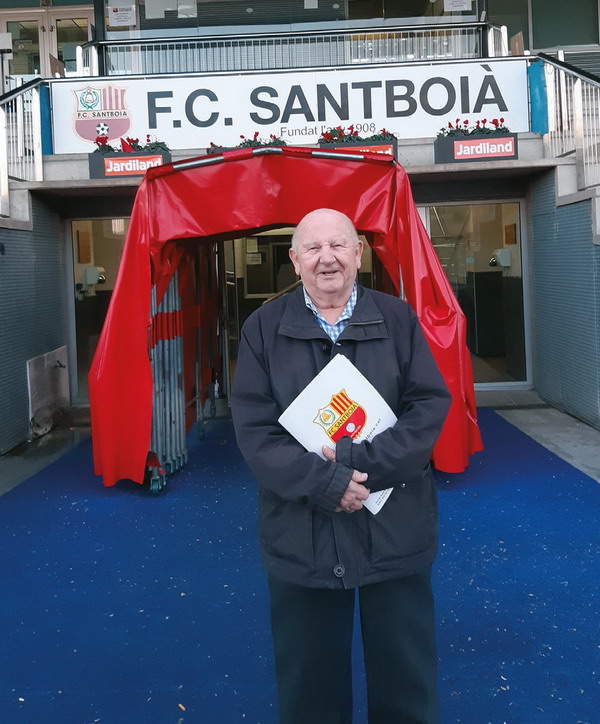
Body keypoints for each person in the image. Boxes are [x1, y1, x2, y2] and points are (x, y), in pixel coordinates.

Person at [231, 208, 451, 724]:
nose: (326, 258)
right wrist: (327, 482)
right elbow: (255, 431)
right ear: (294, 260)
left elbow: (427, 410)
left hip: (394, 529)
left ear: (358, 252)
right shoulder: (262, 329)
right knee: (309, 687)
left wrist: (355, 468)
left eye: (338, 246)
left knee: (405, 678)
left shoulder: (398, 319)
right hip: (301, 535)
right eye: (312, 248)